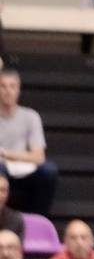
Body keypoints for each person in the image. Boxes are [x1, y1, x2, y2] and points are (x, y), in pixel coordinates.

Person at [0, 69, 59, 217]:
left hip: (24, 168)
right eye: (3, 86)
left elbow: (39, 157)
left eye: (12, 86)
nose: (8, 91)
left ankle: (38, 219)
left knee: (49, 171)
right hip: (2, 168)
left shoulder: (31, 116)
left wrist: (7, 154)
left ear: (18, 90)